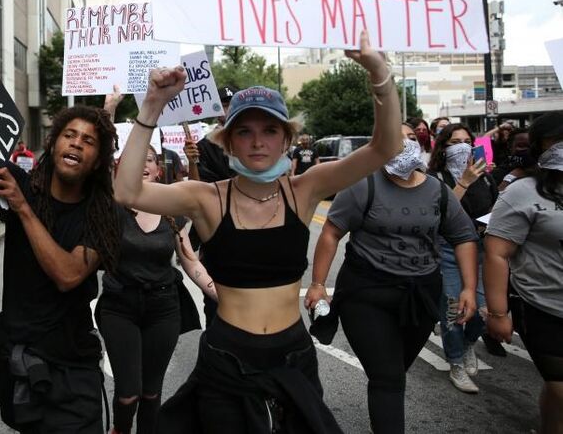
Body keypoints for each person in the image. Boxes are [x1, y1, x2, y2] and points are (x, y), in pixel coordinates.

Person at [115, 31, 403, 432]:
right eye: (244, 131)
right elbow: (127, 190)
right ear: (228, 142)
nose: (257, 142)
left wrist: (378, 71)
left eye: (269, 130)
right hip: (228, 360)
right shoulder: (206, 198)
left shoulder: (304, 190)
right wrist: (151, 106)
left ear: (286, 139)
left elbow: (385, 147)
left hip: (293, 357)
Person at [308, 122, 479, 432]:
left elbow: (463, 236)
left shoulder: (438, 191)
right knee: (388, 377)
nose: (405, 144)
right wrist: (319, 284)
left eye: (412, 138)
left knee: (396, 370)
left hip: (421, 297)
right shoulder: (362, 185)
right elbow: (332, 232)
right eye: (395, 139)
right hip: (366, 295)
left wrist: (468, 287)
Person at [0, 105, 123, 433]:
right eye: (69, 135)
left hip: (72, 374)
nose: (76, 143)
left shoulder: (104, 215)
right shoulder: (21, 183)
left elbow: (68, 275)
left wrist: (23, 210)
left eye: (88, 141)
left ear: (99, 159)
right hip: (22, 370)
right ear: (53, 142)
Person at [99, 144, 216, 434]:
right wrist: (109, 111)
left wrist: (219, 292)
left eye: (148, 159)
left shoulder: (171, 212)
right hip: (119, 306)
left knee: (151, 393)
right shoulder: (111, 205)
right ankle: (121, 429)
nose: (141, 164)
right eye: (133, 160)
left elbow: (190, 261)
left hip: (163, 308)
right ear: (119, 169)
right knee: (128, 394)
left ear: (158, 170)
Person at [484, 112, 563, 433]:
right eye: (557, 140)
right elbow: (496, 253)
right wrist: (498, 312)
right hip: (541, 306)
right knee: (560, 387)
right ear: (539, 146)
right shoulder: (522, 191)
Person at [428, 123, 498, 392]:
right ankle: (456, 361)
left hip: (482, 248)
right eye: (454, 142)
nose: (462, 146)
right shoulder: (435, 178)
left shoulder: (486, 176)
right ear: (443, 148)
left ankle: (468, 343)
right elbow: (441, 215)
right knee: (454, 307)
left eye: (467, 141)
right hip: (449, 249)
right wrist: (464, 182)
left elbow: (496, 205)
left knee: (483, 310)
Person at [195, 85, 237, 183]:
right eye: (226, 105)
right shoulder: (204, 146)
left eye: (235, 104)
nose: (231, 109)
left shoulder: (255, 140)